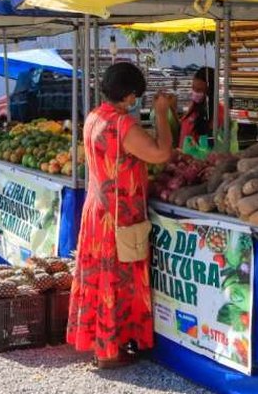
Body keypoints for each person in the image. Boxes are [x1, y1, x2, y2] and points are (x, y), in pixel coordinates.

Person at [67, 62, 172, 369]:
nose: (135, 101)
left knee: (99, 280)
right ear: (128, 96)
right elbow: (160, 154)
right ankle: (109, 351)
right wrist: (162, 114)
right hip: (118, 216)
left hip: (98, 212)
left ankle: (102, 344)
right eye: (135, 96)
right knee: (115, 282)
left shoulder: (94, 117)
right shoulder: (121, 124)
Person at [178, 66, 223, 148]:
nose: (194, 92)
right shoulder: (194, 106)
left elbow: (211, 144)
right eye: (193, 88)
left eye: (199, 90)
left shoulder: (218, 112)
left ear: (210, 91)